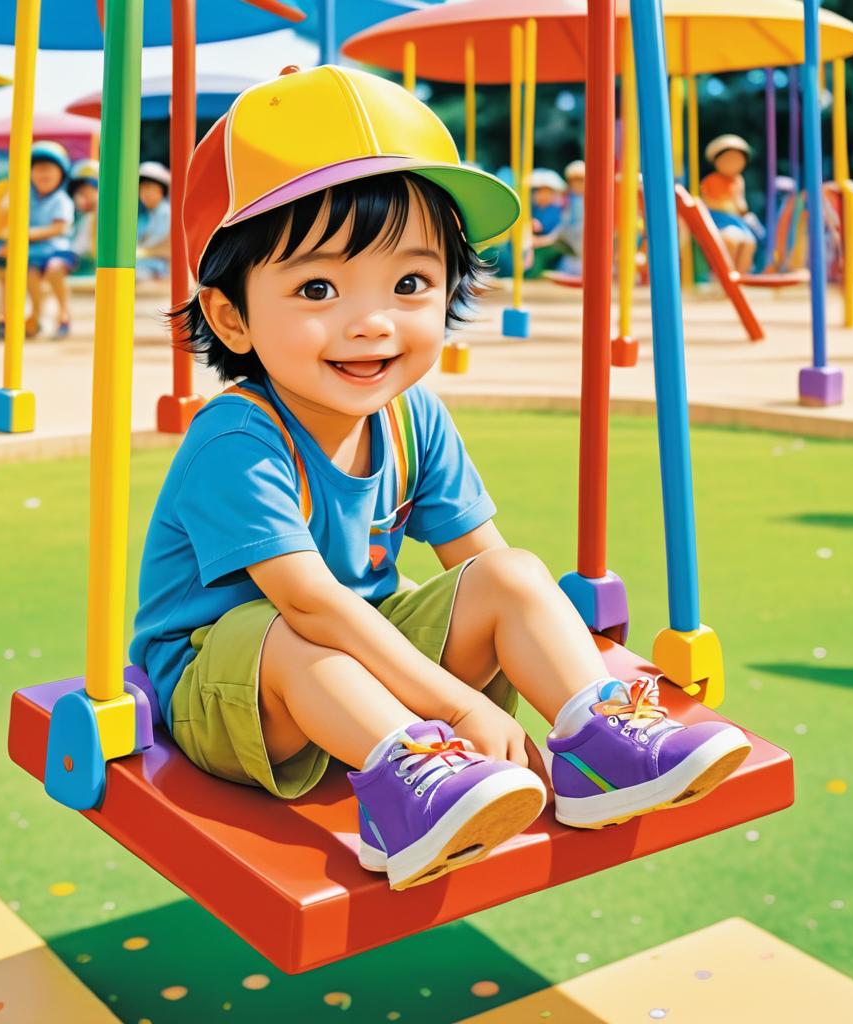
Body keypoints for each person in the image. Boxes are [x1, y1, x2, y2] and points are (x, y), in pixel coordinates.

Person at [129, 66, 750, 892]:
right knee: (288, 633)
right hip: (224, 687)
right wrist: (457, 708)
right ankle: (405, 787)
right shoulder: (236, 439)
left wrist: (564, 663)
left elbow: (480, 566)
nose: (372, 319)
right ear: (230, 315)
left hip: (359, 667)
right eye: (318, 286)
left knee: (514, 572)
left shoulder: (410, 416)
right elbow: (310, 603)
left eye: (410, 282)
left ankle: (598, 743)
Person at [0, 140, 77, 341]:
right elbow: (5, 217)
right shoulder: (24, 196)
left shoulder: (60, 199)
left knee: (55, 269)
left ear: (60, 175)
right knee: (22, 270)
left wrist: (26, 234)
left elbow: (59, 228)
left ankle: (64, 313)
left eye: (49, 170)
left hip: (56, 250)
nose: (43, 175)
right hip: (31, 253)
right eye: (38, 170)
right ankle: (32, 315)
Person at [701, 135, 764, 274]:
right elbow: (707, 202)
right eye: (728, 159)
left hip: (736, 220)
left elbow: (740, 203)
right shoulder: (711, 180)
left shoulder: (738, 181)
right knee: (730, 241)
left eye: (737, 160)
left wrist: (744, 212)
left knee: (750, 243)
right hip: (718, 220)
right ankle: (723, 275)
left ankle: (740, 275)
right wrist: (726, 206)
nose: (732, 163)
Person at [531, 159, 585, 274]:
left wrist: (547, 239)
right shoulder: (568, 200)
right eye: (574, 181)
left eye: (580, 180)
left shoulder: (560, 206)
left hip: (573, 243)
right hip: (566, 244)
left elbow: (563, 226)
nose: (577, 185)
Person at [135, 160, 170, 282]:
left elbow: (158, 246)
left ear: (161, 190)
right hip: (146, 262)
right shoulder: (145, 216)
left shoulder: (167, 213)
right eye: (142, 189)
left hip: (162, 268)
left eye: (150, 188)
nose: (145, 193)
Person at [67, 158, 99, 277]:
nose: (80, 198)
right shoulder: (82, 218)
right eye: (79, 193)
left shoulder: (97, 215)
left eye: (87, 193)